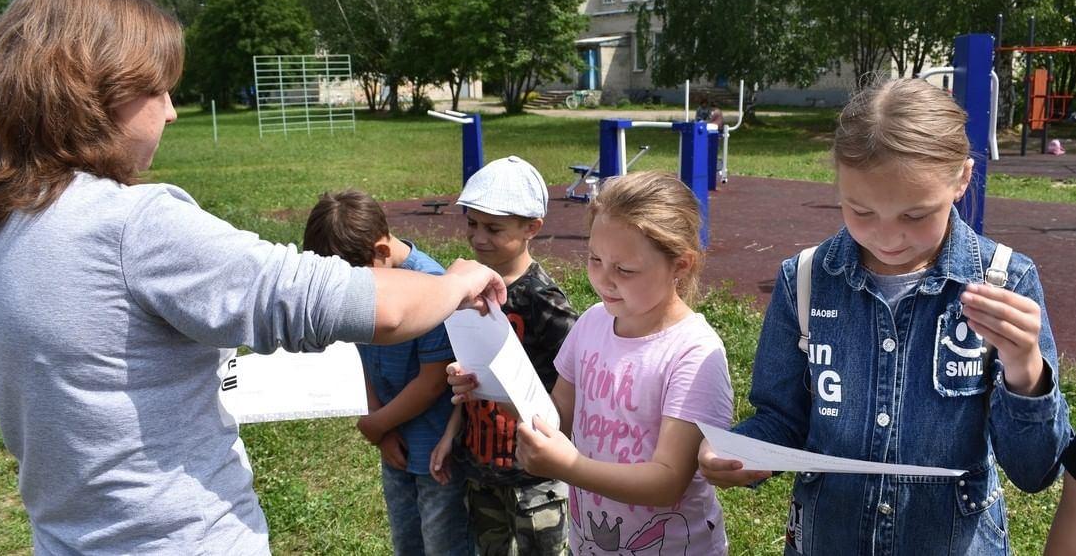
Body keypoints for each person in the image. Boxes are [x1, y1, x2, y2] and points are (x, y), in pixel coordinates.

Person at [0, 0, 505, 553]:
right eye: (158, 90)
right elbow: (369, 307)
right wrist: (457, 279)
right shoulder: (132, 228)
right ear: (98, 91)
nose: (170, 113)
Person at [698, 78, 1069, 555]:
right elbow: (782, 420)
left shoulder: (1004, 281)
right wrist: (740, 451)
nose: (888, 237)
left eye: (916, 216)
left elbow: (1035, 471)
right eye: (861, 210)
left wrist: (1026, 373)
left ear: (961, 180)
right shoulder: (805, 279)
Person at [451, 170, 735, 554]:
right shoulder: (591, 323)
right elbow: (556, 419)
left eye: (625, 269)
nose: (603, 279)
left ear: (680, 265)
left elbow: (668, 482)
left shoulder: (692, 351)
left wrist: (568, 468)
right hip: (593, 542)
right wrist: (490, 385)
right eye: (595, 258)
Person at [302, 190, 473, 556]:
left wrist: (377, 425)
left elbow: (432, 382)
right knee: (407, 540)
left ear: (380, 251)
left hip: (435, 450)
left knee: (444, 542)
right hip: (393, 439)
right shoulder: (364, 286)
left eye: (353, 282)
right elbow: (360, 355)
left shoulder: (432, 288)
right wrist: (379, 425)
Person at [429, 155, 578, 556]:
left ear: (532, 228)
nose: (478, 238)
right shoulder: (465, 288)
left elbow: (579, 378)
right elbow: (471, 375)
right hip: (482, 468)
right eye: (472, 224)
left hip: (537, 475)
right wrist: (450, 432)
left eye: (493, 228)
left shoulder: (543, 300)